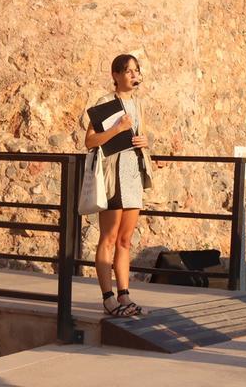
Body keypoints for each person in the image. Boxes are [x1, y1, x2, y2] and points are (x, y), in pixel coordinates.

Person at [84, 54, 154, 317]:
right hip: (113, 176)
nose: (134, 75)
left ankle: (125, 295)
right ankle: (108, 298)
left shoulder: (138, 104)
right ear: (115, 75)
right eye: (128, 71)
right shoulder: (105, 103)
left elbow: (142, 135)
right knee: (109, 238)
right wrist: (117, 128)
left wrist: (145, 142)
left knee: (125, 240)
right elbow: (90, 141)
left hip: (133, 174)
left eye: (136, 70)